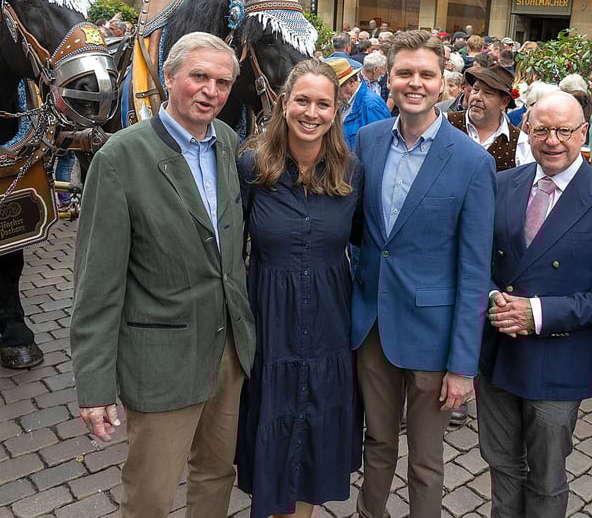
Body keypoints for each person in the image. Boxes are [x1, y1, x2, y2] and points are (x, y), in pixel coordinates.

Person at [71, 32, 255, 518]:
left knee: (216, 474)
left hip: (228, 350)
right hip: (161, 359)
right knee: (151, 492)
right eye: (199, 76)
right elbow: (97, 285)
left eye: (222, 82)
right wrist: (94, 386)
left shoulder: (226, 142)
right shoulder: (120, 158)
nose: (210, 91)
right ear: (168, 78)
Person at [352, 29, 495, 518]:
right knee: (376, 444)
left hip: (434, 337)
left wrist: (463, 365)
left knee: (427, 461)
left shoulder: (472, 161)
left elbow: (475, 271)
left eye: (426, 74)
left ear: (443, 83)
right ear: (388, 79)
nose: (415, 82)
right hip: (373, 326)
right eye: (405, 73)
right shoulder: (368, 141)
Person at [480, 91, 592, 517]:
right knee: (501, 466)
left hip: (558, 361)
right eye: (542, 130)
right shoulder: (503, 184)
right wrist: (493, 296)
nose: (553, 140)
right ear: (527, 131)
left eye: (564, 131)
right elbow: (476, 261)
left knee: (546, 478)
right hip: (497, 354)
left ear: (583, 133)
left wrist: (537, 313)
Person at [235, 60, 363, 518]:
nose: (312, 113)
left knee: (316, 424)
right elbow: (231, 244)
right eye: (302, 101)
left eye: (323, 104)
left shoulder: (351, 171)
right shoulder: (252, 165)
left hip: (329, 319)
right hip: (270, 317)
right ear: (284, 102)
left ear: (336, 110)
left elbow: (362, 239)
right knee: (274, 418)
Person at [446, 64, 532, 171]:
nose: (477, 97)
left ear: (504, 102)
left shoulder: (520, 144)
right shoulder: (445, 123)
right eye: (475, 90)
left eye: (487, 93)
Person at [328, 56, 390, 150]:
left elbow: (380, 147)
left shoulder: (371, 106)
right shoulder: (345, 102)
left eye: (336, 90)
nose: (334, 95)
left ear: (351, 82)